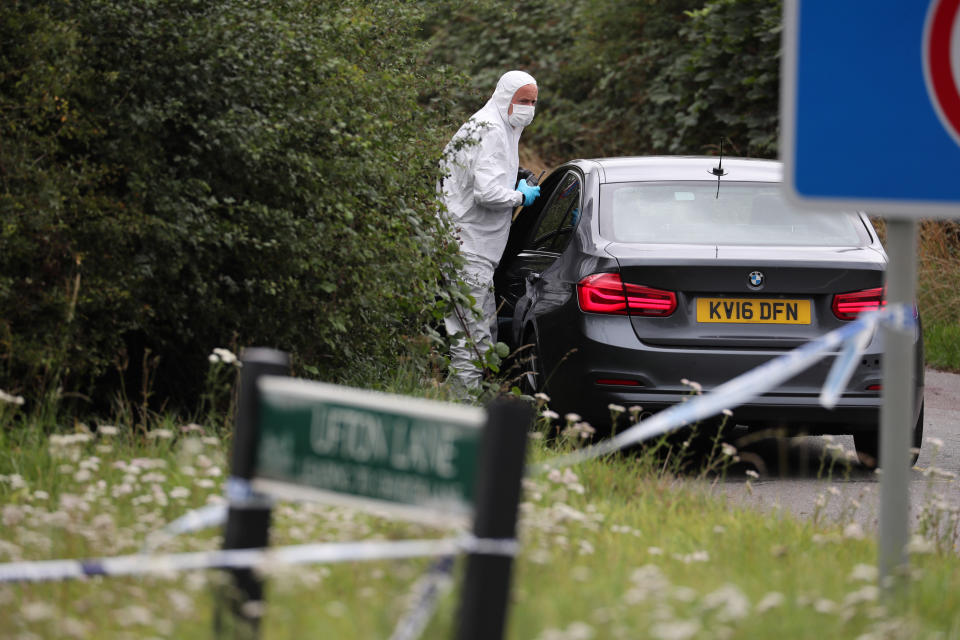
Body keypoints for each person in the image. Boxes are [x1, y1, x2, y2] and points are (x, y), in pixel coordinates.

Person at [439, 70, 541, 391]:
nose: (528, 107)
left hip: (474, 250)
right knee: (470, 342)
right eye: (522, 100)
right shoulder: (493, 130)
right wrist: (520, 196)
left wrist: (512, 181)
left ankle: (472, 410)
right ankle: (461, 419)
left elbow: (479, 179)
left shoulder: (499, 125)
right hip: (466, 249)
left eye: (533, 101)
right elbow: (486, 193)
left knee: (481, 339)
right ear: (504, 98)